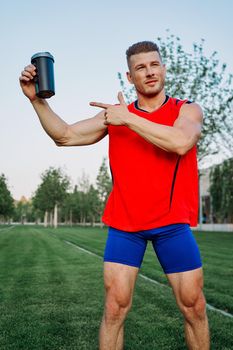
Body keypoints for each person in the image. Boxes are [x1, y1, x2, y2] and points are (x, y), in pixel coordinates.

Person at [19, 41, 210, 350]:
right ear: (129, 76)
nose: (149, 72)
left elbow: (180, 141)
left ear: (163, 68)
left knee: (195, 307)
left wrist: (129, 118)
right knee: (114, 309)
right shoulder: (113, 117)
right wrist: (36, 102)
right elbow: (64, 136)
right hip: (126, 225)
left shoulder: (186, 109)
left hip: (173, 224)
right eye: (140, 68)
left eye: (154, 64)